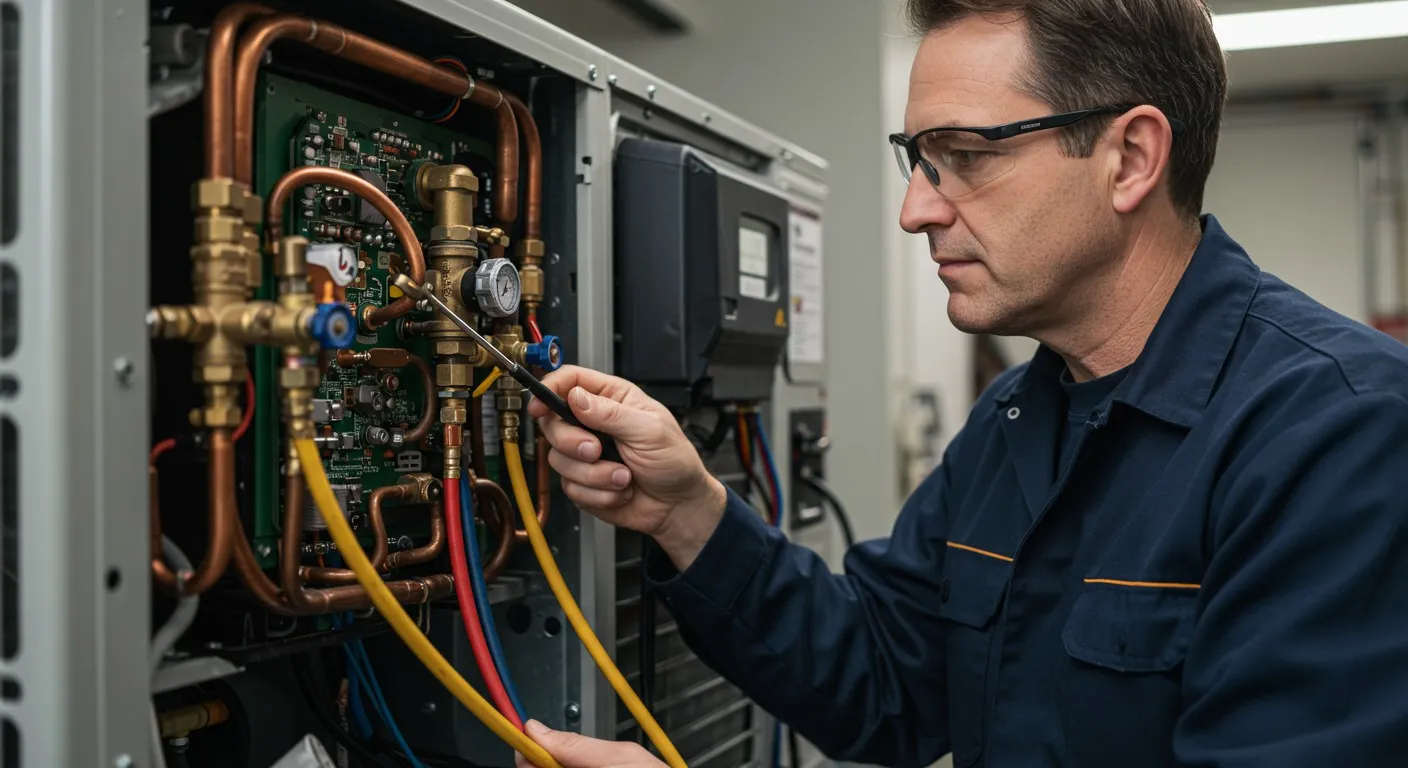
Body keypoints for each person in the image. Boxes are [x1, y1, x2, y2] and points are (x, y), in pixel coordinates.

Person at [519, 1, 1408, 766]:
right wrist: (686, 511)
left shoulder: (1341, 434)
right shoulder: (1023, 415)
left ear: (1132, 158)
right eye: (918, 157)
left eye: (968, 156)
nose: (917, 209)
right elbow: (882, 678)